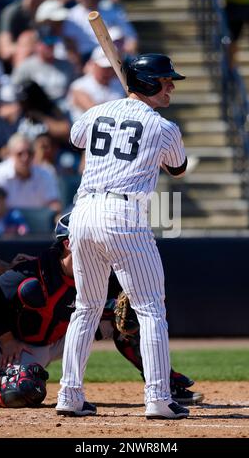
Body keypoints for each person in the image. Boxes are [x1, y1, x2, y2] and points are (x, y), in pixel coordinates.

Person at [56, 53, 189, 420]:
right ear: (147, 84)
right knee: (150, 310)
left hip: (82, 213)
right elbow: (178, 169)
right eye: (164, 81)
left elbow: (76, 137)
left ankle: (69, 394)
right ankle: (159, 398)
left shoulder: (97, 110)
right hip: (124, 215)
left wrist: (116, 112)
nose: (171, 86)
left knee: (86, 307)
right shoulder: (163, 127)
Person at [0, 212, 203, 408]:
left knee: (125, 318)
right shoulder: (34, 271)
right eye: (88, 240)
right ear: (67, 243)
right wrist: (6, 340)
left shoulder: (100, 272)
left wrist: (123, 310)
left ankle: (165, 382)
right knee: (27, 389)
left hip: (60, 338)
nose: (97, 246)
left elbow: (127, 309)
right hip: (16, 346)